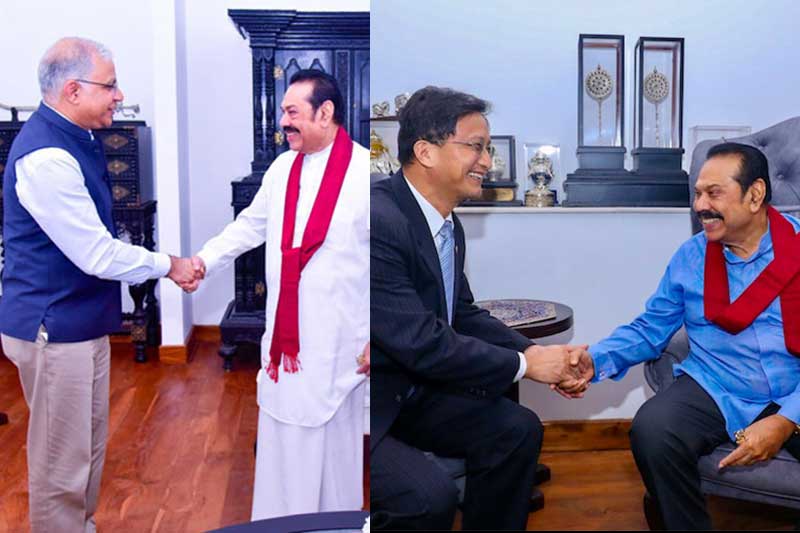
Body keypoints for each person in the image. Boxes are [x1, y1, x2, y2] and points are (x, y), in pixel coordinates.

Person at [0, 37, 198, 533]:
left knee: (86, 449)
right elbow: (95, 253)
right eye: (109, 86)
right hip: (52, 328)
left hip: (80, 323)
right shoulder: (46, 158)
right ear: (73, 90)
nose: (119, 95)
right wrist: (169, 264)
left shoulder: (77, 137)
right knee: (59, 464)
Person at [370, 86, 586, 531]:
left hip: (416, 391)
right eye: (475, 146)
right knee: (429, 497)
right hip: (368, 404)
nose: (487, 161)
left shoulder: (447, 223)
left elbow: (462, 314)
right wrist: (528, 365)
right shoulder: (378, 221)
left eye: (487, 148)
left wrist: (536, 353)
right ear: (425, 152)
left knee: (518, 430)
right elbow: (421, 342)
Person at [563, 142, 800, 530]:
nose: (700, 206)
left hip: (795, 384)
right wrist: (595, 360)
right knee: (653, 430)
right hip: (720, 383)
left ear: (755, 194)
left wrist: (787, 419)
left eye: (713, 193)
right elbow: (650, 328)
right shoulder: (691, 257)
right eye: (698, 193)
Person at [190, 69, 369, 520]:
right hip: (286, 344)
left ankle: (332, 525)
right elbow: (249, 226)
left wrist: (380, 333)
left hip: (340, 344)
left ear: (325, 113)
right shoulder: (283, 168)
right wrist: (203, 261)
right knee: (282, 439)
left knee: (334, 449)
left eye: (292, 112)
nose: (283, 122)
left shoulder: (365, 174)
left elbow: (388, 266)